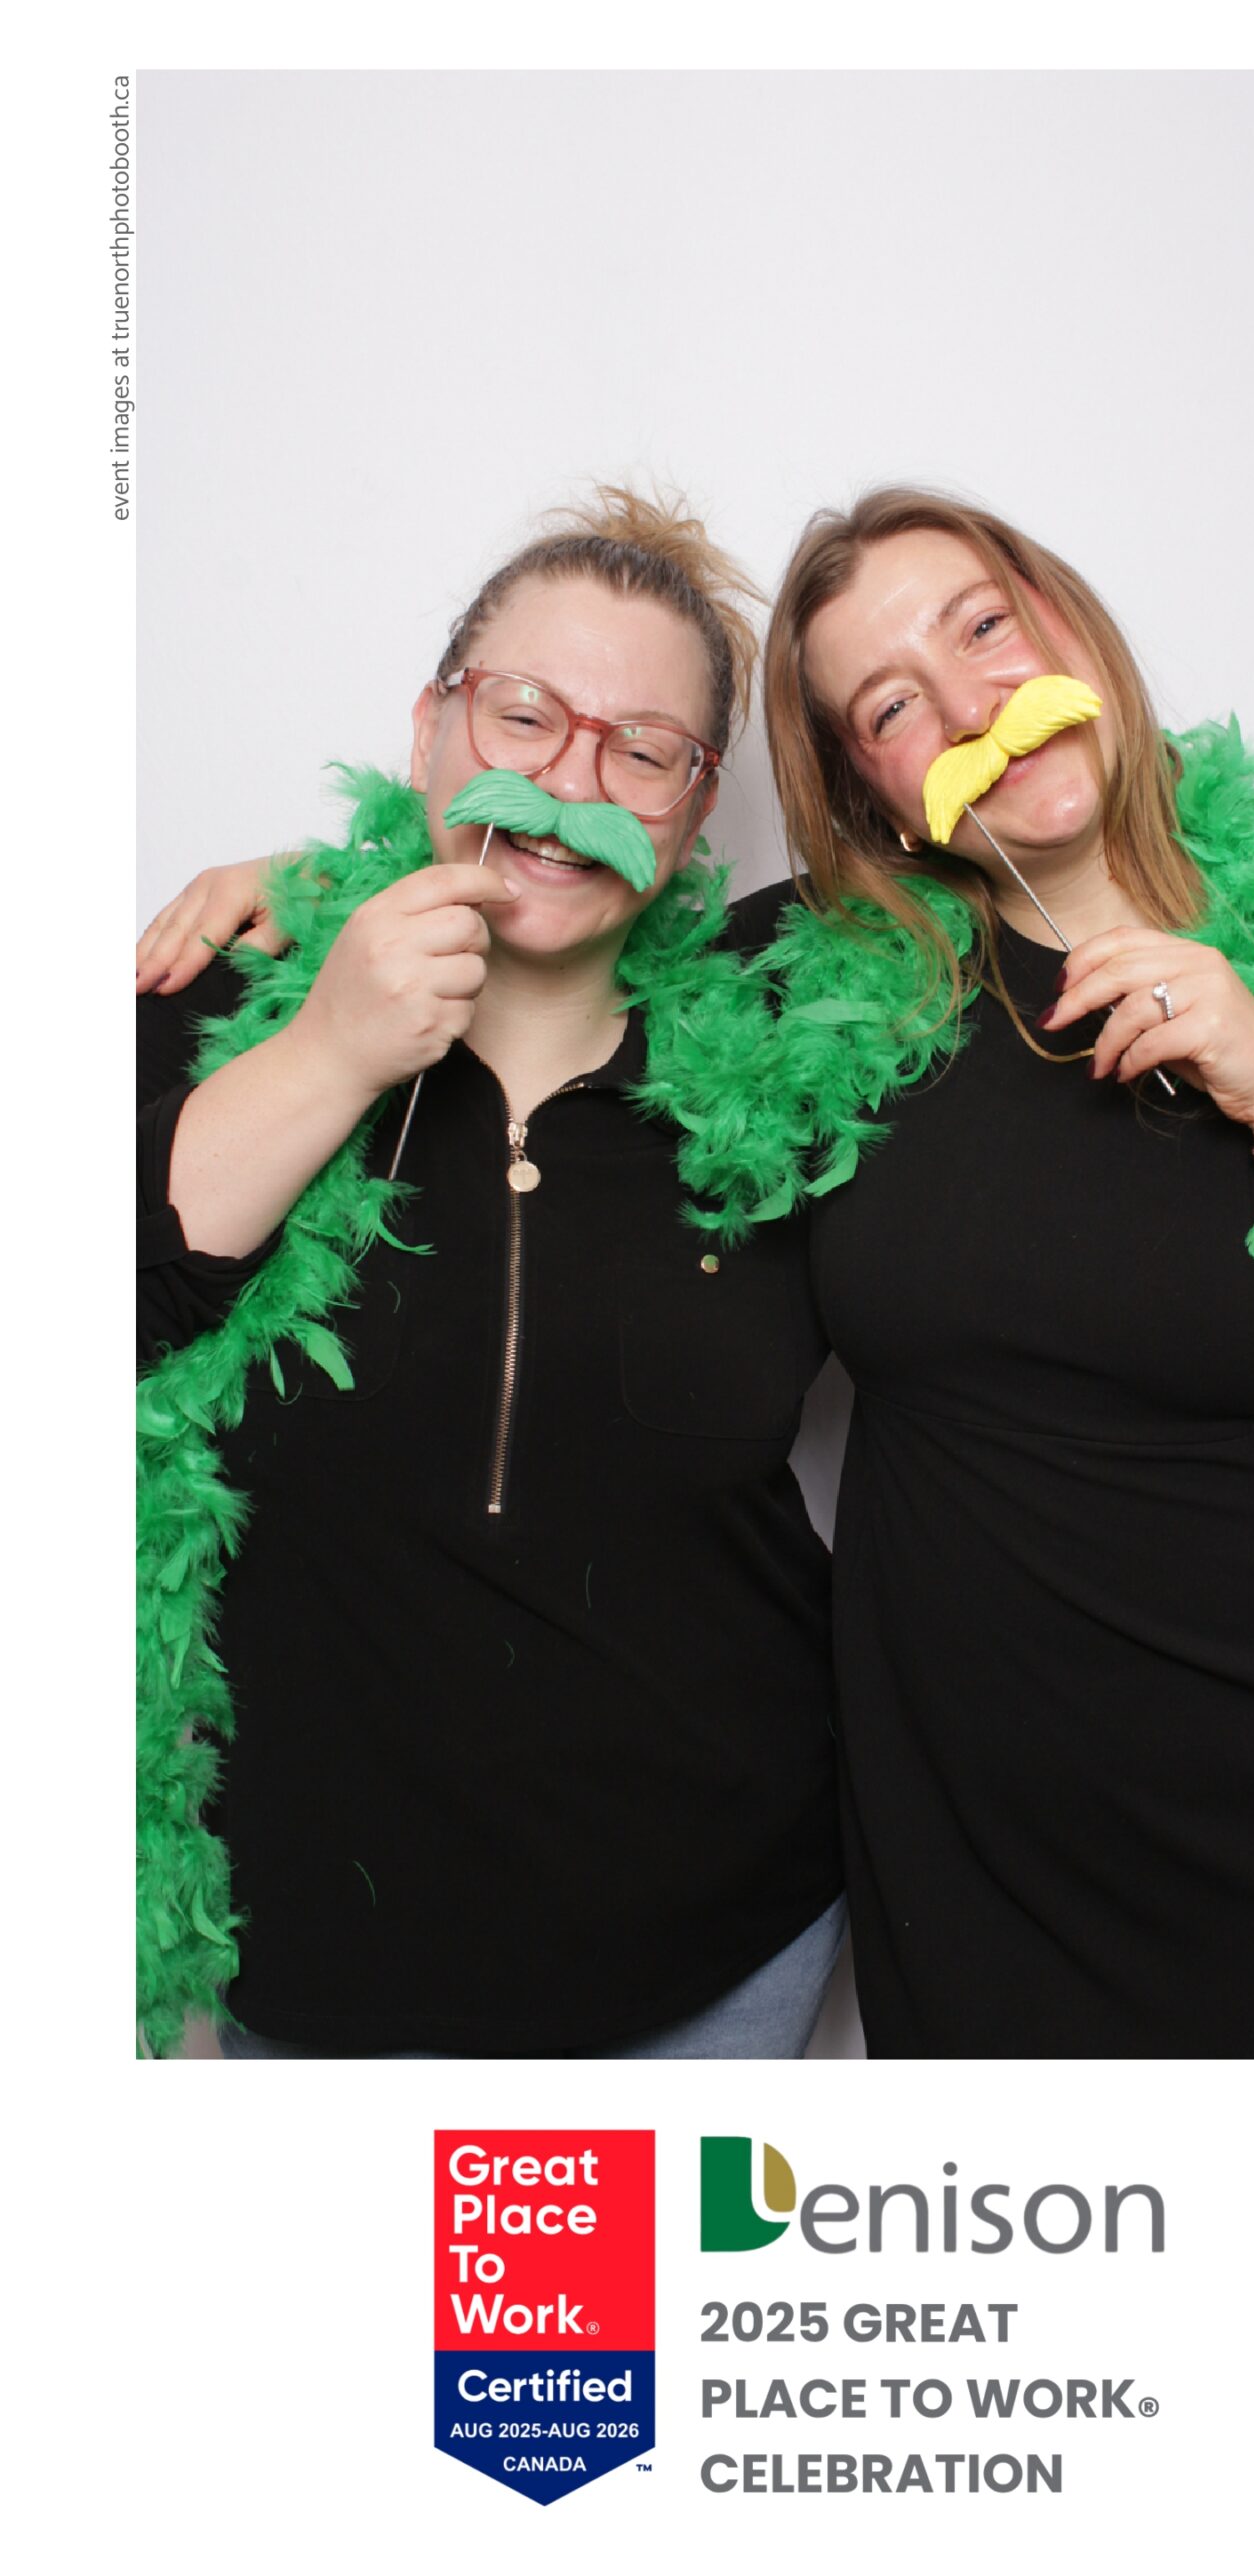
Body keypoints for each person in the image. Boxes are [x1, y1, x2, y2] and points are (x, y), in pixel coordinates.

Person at [754, 485, 1254, 2059]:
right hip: (979, 1870)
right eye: (893, 707)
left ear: (1067, 625)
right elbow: (556, 943)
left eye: (984, 628)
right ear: (877, 797)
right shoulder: (821, 997)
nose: (973, 707)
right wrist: (318, 888)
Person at [137, 491, 846, 2060]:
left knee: (662, 2253)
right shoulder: (223, 1010)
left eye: (643, 750)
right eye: (523, 717)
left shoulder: (794, 1066)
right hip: (314, 1951)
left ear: (694, 814)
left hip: (721, 1950)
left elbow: (983, 924)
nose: (570, 784)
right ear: (428, 729)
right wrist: (333, 1047)